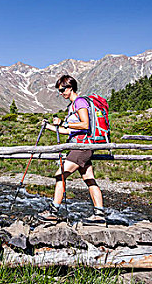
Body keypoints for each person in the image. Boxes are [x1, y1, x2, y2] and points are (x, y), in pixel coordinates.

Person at [37, 75, 105, 222]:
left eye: (62, 90)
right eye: (59, 91)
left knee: (59, 175)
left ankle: (53, 211)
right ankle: (99, 215)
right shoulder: (72, 106)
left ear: (70, 87)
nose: (61, 93)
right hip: (82, 145)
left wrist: (64, 122)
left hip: (82, 147)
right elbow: (69, 130)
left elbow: (85, 124)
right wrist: (50, 126)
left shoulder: (79, 102)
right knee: (89, 179)